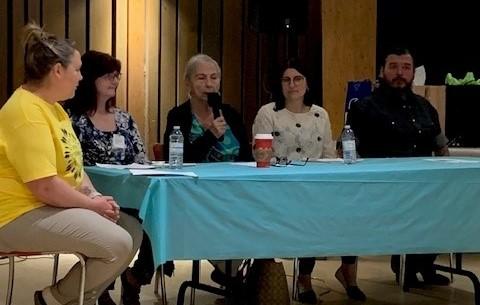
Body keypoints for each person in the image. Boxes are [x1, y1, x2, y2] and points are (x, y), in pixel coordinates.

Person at [0, 23, 143, 305]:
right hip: (17, 215)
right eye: (77, 69)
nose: (81, 77)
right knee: (118, 242)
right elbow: (45, 187)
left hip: (47, 207)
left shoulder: (54, 108)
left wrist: (95, 196)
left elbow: (74, 169)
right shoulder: (25, 112)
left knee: (131, 229)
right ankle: (55, 299)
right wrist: (91, 206)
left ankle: (74, 299)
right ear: (57, 71)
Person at [252, 58, 366, 303]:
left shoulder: (319, 114)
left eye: (298, 78)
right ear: (279, 84)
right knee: (309, 214)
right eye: (286, 79)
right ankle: (304, 278)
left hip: (317, 184)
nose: (293, 84)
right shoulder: (268, 112)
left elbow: (327, 154)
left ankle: (348, 271)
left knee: (351, 210)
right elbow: (261, 154)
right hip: (281, 186)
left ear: (307, 83)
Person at [64, 50, 173, 305]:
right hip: (92, 195)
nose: (114, 81)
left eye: (117, 76)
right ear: (90, 79)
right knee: (123, 221)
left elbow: (141, 157)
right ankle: (101, 287)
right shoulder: (73, 119)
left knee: (157, 216)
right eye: (108, 76)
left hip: (131, 190)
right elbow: (71, 164)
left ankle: (135, 277)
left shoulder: (124, 118)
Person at [347, 47, 450, 288]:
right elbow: (350, 152)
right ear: (382, 71)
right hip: (382, 189)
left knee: (445, 202)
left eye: (406, 67)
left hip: (425, 188)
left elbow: (441, 146)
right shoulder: (363, 108)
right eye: (393, 67)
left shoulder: (425, 107)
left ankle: (424, 264)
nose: (400, 73)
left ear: (413, 72)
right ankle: (406, 266)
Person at [163, 53, 251, 286]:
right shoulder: (178, 116)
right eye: (201, 78)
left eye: (214, 78)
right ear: (188, 83)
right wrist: (210, 135)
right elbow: (175, 160)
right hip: (193, 194)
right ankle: (232, 275)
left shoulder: (230, 114)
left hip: (235, 191)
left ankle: (233, 274)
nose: (209, 84)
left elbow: (246, 158)